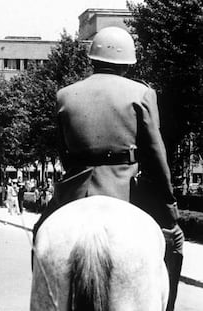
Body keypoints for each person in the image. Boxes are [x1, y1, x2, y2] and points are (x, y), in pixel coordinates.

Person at [34, 27, 183, 311]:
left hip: (78, 188)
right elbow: (155, 153)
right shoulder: (142, 93)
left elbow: (63, 151)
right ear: (128, 63)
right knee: (174, 242)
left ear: (92, 59)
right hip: (126, 188)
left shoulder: (65, 95)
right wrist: (171, 210)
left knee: (42, 232)